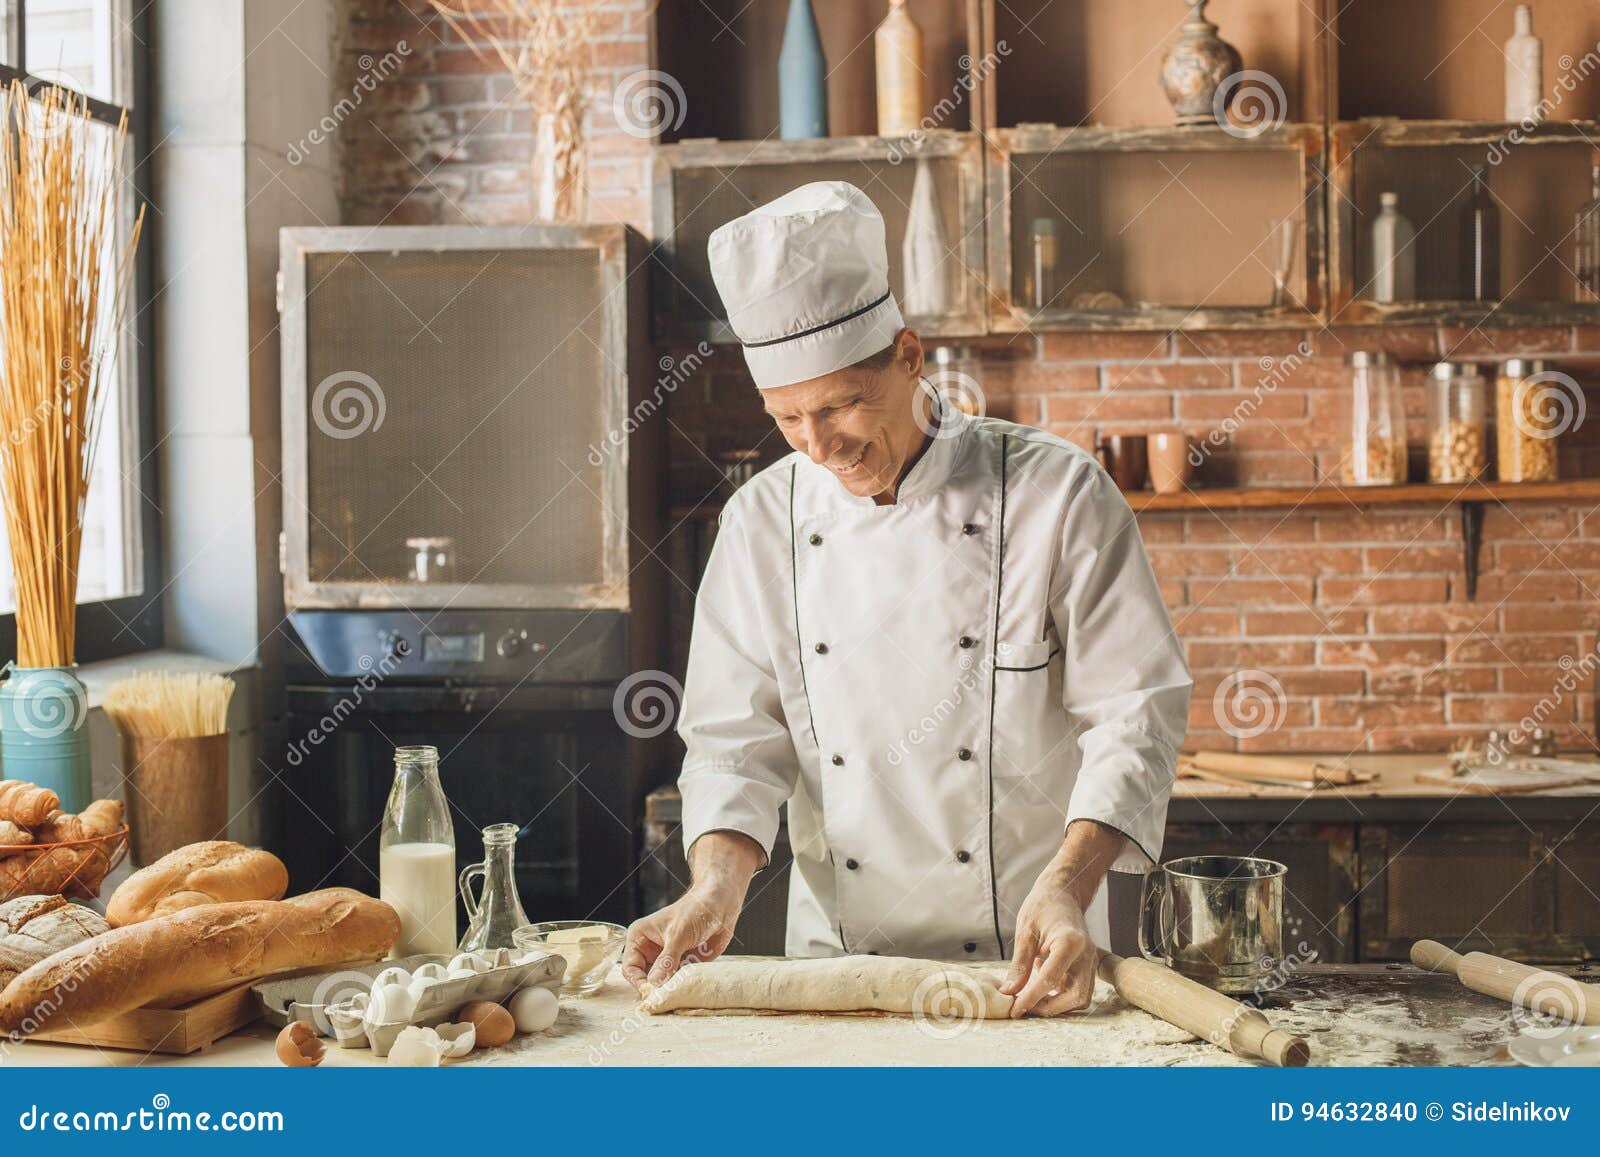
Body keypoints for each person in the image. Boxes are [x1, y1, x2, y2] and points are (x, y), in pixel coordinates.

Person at [623, 182, 1191, 1017]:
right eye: (787, 419)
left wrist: (1069, 887)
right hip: (838, 977)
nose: (821, 447)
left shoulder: (1060, 493)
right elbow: (732, 742)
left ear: (910, 354)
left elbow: (1136, 711)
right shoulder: (760, 521)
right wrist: (714, 884)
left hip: (1029, 963)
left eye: (843, 404)